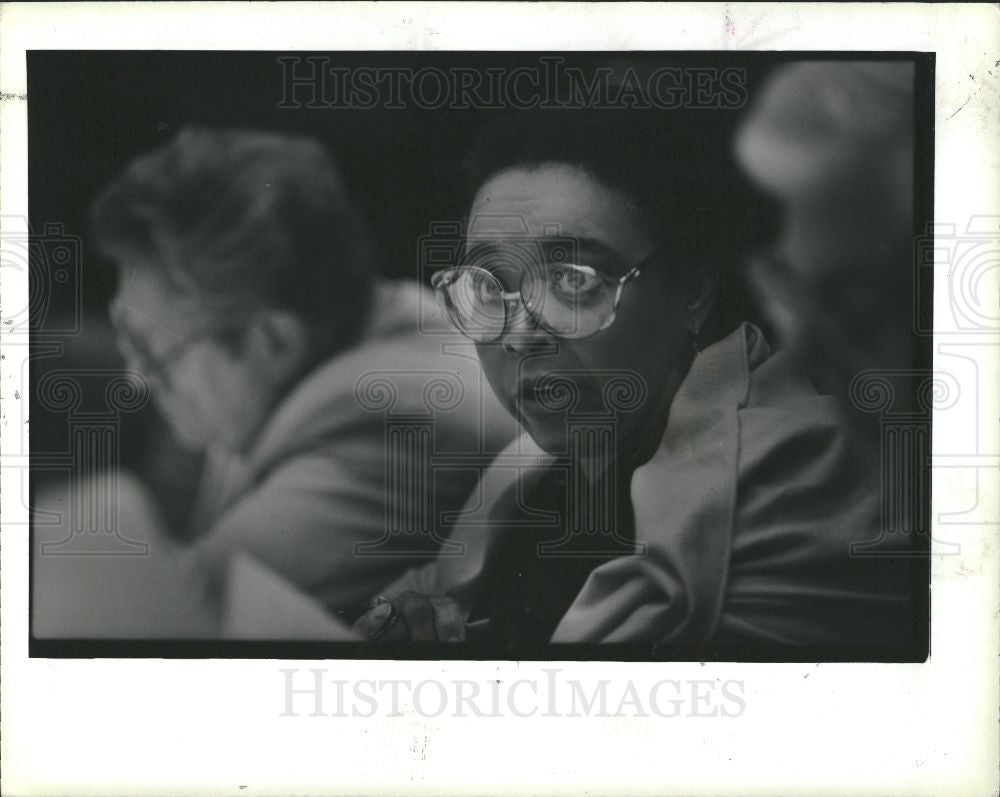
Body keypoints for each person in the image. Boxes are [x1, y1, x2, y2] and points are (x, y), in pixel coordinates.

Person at [354, 108, 916, 653]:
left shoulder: (803, 472)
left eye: (574, 281)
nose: (521, 339)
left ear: (691, 290)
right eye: (487, 287)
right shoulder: (522, 474)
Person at [34, 127, 516, 637]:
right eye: (126, 338)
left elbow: (161, 627)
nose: (136, 380)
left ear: (273, 341)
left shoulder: (392, 430)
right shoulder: (360, 334)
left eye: (154, 352)